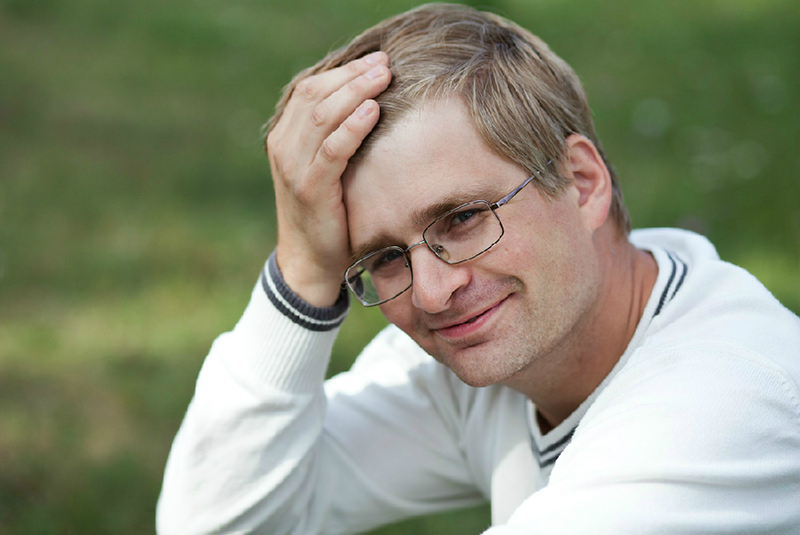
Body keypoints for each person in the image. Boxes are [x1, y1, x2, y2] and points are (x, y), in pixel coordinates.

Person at [156, 3, 800, 534]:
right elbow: (217, 521)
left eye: (463, 219)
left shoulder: (723, 404)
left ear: (581, 184)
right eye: (385, 257)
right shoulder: (491, 352)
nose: (434, 293)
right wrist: (303, 269)